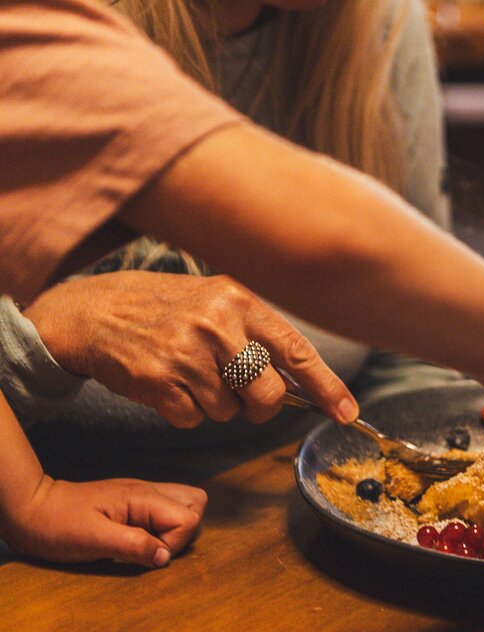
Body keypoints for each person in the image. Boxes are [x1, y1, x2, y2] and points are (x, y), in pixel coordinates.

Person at [0, 0, 484, 566]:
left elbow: (394, 346)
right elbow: (325, 243)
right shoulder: (57, 30)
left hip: (301, 530)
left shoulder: (378, 26)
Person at [2, 0, 456, 441]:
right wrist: (58, 328)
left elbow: (418, 348)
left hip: (304, 479)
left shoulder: (382, 22)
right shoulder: (42, 27)